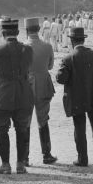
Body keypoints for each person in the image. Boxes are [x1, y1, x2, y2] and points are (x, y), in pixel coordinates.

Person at [56, 26, 93, 167]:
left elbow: (61, 79)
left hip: (77, 98)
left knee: (79, 128)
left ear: (72, 41)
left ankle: (83, 158)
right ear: (83, 39)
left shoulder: (68, 58)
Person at [0, 18, 34, 174]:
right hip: (23, 93)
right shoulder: (27, 50)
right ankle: (20, 164)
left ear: (3, 32)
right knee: (21, 130)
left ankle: (5, 165)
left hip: (4, 94)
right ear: (17, 32)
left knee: (2, 130)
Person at [24, 17, 58, 166]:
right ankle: (47, 154)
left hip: (27, 87)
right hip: (44, 85)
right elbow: (50, 66)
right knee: (43, 120)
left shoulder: (22, 46)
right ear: (38, 29)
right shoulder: (47, 46)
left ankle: (24, 157)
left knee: (25, 122)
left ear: (26, 30)